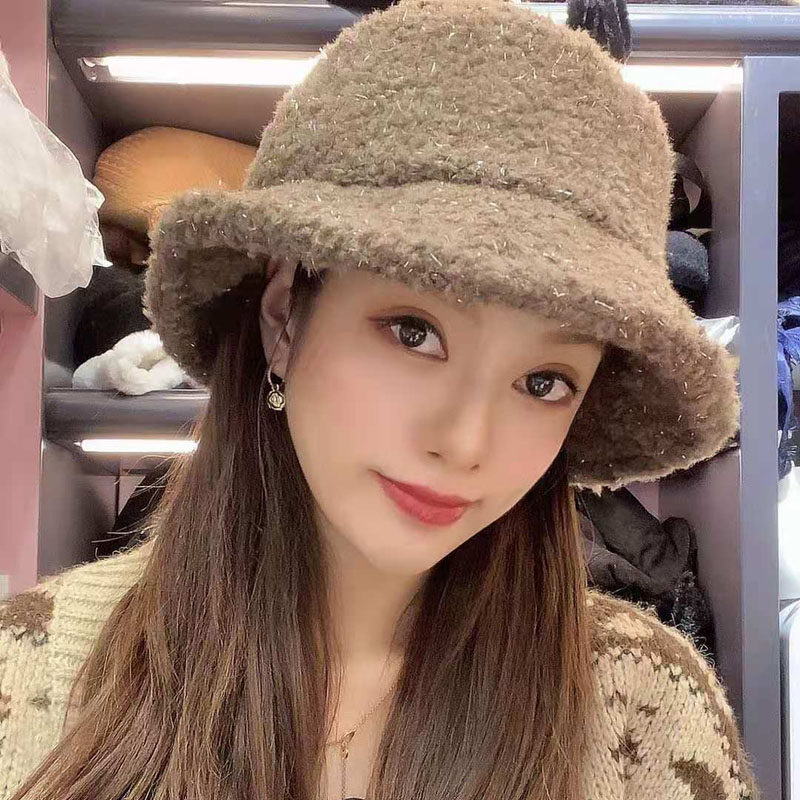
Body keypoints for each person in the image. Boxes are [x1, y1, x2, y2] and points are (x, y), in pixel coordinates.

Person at [0, 0, 759, 798]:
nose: (465, 442)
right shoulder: (28, 681)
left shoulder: (646, 711)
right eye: (413, 332)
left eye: (544, 382)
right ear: (283, 317)